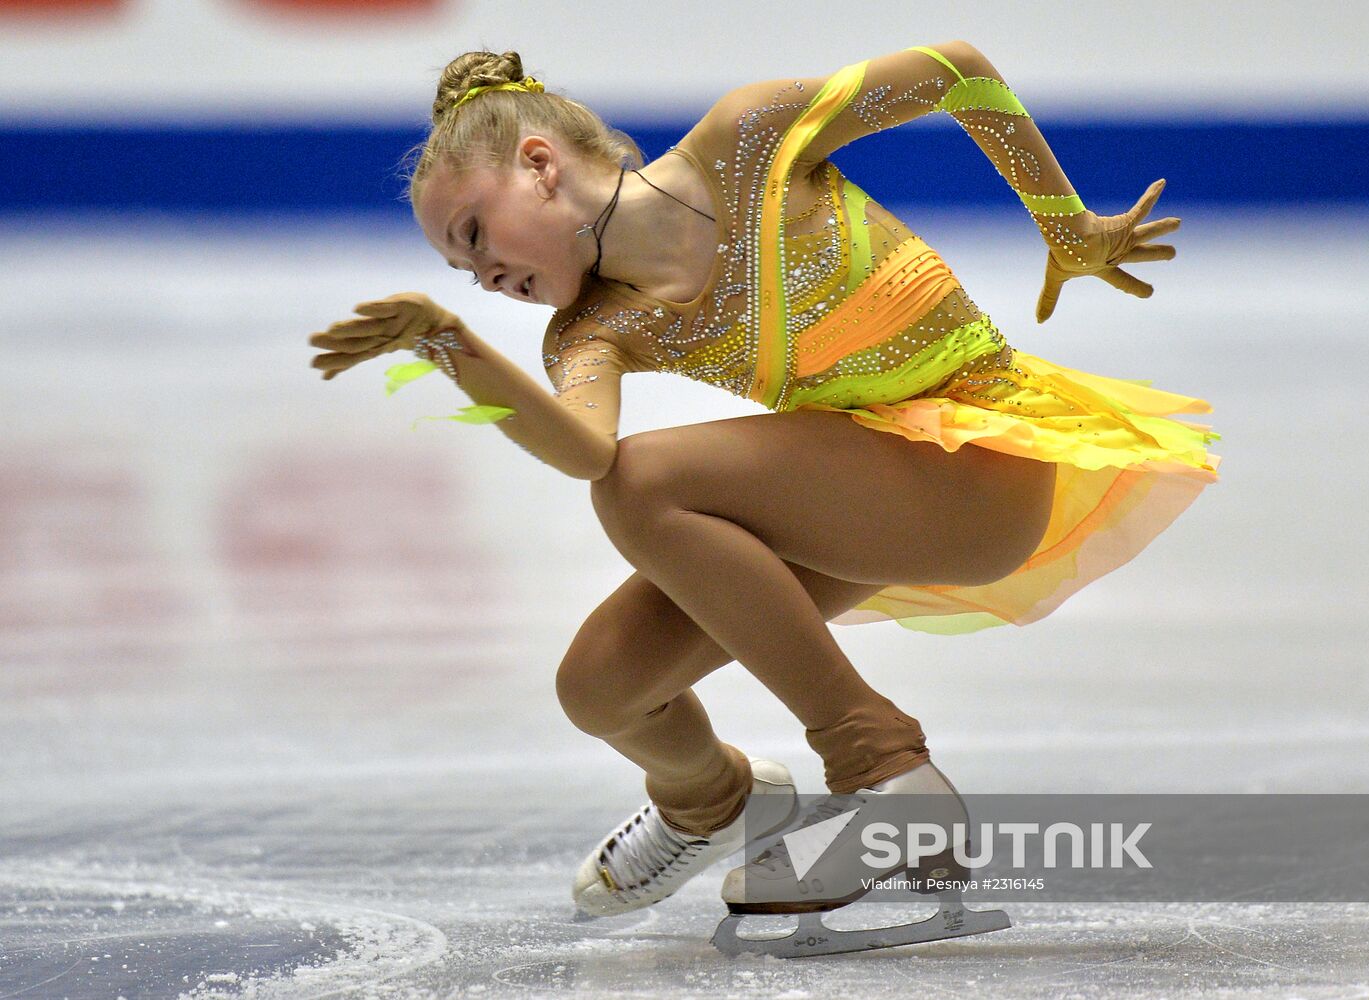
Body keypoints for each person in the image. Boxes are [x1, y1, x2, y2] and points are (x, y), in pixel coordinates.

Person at [307, 42, 1221, 956]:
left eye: (474, 235)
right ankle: (711, 798)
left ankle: (884, 771)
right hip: (869, 500)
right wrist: (449, 347)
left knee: (645, 478)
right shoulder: (595, 325)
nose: (482, 277)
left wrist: (1065, 224)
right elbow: (583, 447)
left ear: (540, 167)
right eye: (460, 271)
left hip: (980, 466)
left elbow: (954, 71)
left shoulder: (746, 141)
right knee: (603, 688)